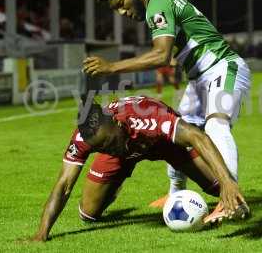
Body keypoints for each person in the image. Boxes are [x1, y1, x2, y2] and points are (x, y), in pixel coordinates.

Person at [83, 0, 251, 212]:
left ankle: (231, 198)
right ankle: (176, 194)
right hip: (200, 79)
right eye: (116, 10)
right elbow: (175, 49)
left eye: (121, 3)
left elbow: (161, 55)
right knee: (176, 133)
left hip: (224, 67)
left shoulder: (158, 4)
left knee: (217, 124)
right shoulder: (159, 4)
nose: (122, 12)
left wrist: (111, 67)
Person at [31, 96, 249, 242]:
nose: (107, 148)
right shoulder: (85, 139)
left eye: (108, 142)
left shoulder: (148, 116)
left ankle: (231, 195)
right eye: (100, 148)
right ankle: (114, 186)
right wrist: (42, 233)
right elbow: (63, 185)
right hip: (124, 156)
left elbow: (198, 136)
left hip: (164, 144)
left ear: (117, 124)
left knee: (219, 188)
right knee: (88, 214)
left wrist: (228, 182)